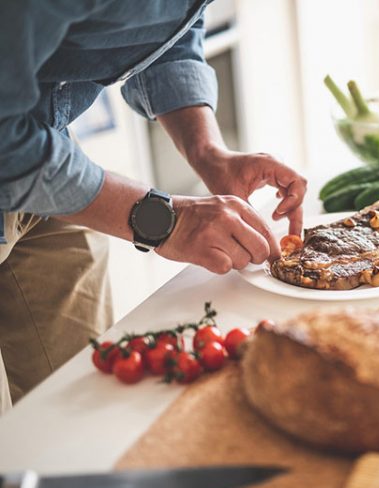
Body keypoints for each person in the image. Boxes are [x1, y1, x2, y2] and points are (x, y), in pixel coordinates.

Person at [0, 0, 307, 412]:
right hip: (16, 147)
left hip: (47, 155)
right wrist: (164, 221)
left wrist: (209, 152)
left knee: (78, 404)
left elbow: (171, 27)